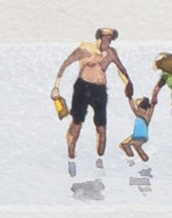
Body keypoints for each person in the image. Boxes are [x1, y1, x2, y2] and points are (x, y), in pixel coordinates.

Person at [52, 29, 132, 161]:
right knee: (77, 121)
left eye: (109, 39)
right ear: (99, 38)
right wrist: (56, 86)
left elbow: (121, 68)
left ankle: (101, 159)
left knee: (101, 126)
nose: (106, 42)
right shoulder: (85, 49)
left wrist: (128, 82)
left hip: (100, 90)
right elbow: (65, 64)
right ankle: (71, 151)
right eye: (105, 38)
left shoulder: (111, 53)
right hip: (83, 87)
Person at [119, 96, 153, 162]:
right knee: (137, 147)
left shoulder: (146, 117)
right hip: (137, 136)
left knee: (125, 145)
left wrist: (130, 98)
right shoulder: (139, 115)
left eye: (140, 108)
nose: (139, 110)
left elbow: (134, 108)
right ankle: (145, 159)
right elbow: (133, 108)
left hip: (140, 136)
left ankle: (130, 157)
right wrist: (130, 98)